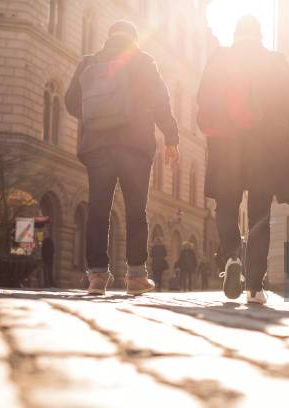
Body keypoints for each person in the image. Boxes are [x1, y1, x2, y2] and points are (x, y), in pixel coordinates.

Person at [65, 20, 179, 296]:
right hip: (135, 146)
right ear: (134, 39)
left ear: (109, 37)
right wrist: (171, 137)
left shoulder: (89, 62)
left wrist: (97, 116)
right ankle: (136, 277)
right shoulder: (143, 61)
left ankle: (96, 277)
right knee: (136, 210)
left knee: (98, 210)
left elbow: (70, 101)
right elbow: (161, 101)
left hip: (98, 145)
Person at [197, 16, 289, 304]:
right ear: (260, 35)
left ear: (236, 34)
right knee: (259, 215)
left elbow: (202, 99)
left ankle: (231, 257)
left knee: (227, 205)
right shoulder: (276, 62)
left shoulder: (220, 59)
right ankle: (255, 286)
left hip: (226, 147)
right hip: (265, 150)